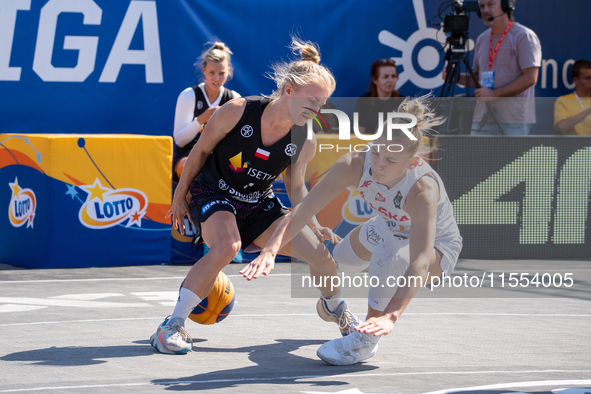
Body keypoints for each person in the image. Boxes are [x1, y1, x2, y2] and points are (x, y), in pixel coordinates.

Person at [150, 37, 358, 355]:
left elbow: (296, 187)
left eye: (323, 102)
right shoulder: (236, 111)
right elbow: (200, 150)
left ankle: (333, 307)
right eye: (313, 100)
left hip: (257, 203)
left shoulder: (305, 139)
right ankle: (172, 325)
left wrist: (313, 223)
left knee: (321, 257)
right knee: (227, 246)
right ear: (289, 89)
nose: (317, 110)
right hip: (213, 191)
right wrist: (180, 193)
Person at [244, 96, 463, 365]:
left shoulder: (421, 190)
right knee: (339, 262)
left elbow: (419, 260)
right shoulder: (355, 164)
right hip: (387, 226)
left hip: (436, 248)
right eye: (377, 152)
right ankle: (331, 305)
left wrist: (390, 316)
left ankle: (366, 338)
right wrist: (270, 249)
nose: (379, 165)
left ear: (412, 163)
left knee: (390, 255)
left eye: (391, 160)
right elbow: (303, 210)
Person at [442, 0, 541, 135]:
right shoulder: (482, 38)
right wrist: (455, 77)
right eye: (482, 6)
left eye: (490, 4)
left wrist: (494, 94)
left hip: (513, 122)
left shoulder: (524, 35)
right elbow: (478, 77)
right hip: (482, 119)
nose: (485, 10)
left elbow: (530, 77)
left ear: (507, 6)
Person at [172, 42, 241, 182]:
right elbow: (180, 140)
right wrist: (201, 119)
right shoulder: (189, 95)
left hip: (220, 156)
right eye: (212, 73)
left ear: (228, 71)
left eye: (222, 73)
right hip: (188, 154)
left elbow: (238, 141)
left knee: (242, 168)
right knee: (193, 168)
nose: (216, 78)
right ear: (203, 70)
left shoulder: (234, 98)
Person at [354, 58, 404, 135]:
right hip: (370, 145)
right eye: (385, 77)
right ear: (375, 79)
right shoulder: (364, 101)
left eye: (393, 76)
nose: (391, 80)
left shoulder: (403, 102)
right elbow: (359, 135)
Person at [554, 60, 591, 135]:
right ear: (575, 80)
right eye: (587, 78)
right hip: (575, 146)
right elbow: (562, 126)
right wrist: (588, 110)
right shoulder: (564, 100)